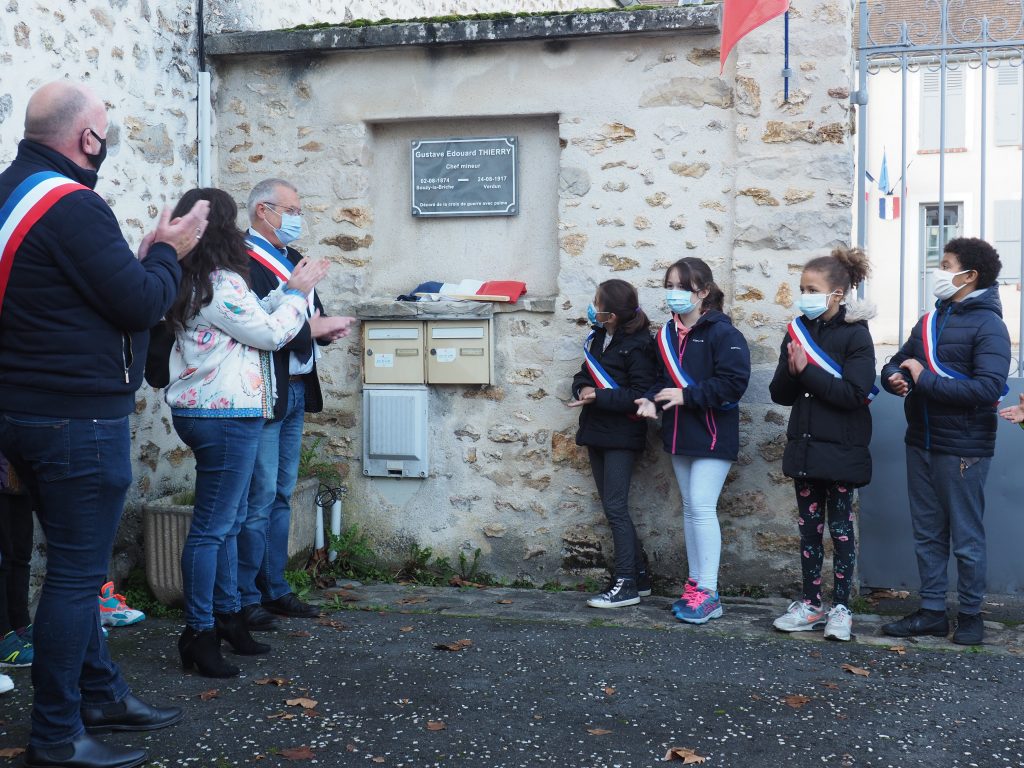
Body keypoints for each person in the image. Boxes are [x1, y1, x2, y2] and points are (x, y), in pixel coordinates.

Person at [0, 81, 208, 768]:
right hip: (73, 418)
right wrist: (165, 251)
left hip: (21, 412)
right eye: (106, 129)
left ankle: (101, 692)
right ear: (88, 139)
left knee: (69, 569)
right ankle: (58, 737)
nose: (108, 139)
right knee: (74, 576)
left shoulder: (8, 192)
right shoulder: (75, 207)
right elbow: (141, 302)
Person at [164, 188, 328, 678]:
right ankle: (199, 630)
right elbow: (272, 333)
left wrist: (286, 293)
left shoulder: (196, 279)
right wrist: (298, 293)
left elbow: (255, 317)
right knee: (214, 529)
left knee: (229, 522)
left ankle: (228, 616)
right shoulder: (218, 282)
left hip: (214, 411)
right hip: (225, 415)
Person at [880, 237, 1010, 646]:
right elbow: (897, 359)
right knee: (928, 532)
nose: (938, 271)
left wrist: (923, 378)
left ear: (969, 276)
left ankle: (971, 615)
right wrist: (894, 378)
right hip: (921, 439)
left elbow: (988, 389)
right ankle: (933, 611)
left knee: (966, 538)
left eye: (946, 264)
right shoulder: (929, 321)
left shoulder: (990, 326)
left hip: (963, 448)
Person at [237, 178, 354, 631]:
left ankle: (275, 586)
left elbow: (307, 315)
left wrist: (326, 326)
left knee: (283, 492)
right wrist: (315, 330)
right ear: (264, 211)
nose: (297, 217)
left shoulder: (292, 256)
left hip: (297, 385)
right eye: (292, 208)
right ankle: (246, 596)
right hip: (267, 388)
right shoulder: (242, 261)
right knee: (260, 495)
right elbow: (263, 324)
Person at [768, 247, 875, 642]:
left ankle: (841, 608)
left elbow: (854, 394)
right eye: (801, 288)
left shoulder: (856, 335)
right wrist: (794, 372)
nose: (804, 295)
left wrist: (807, 372)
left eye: (811, 288)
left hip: (842, 451)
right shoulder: (797, 331)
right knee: (809, 531)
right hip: (806, 449)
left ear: (837, 294)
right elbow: (780, 393)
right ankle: (811, 604)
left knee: (841, 530)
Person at [635, 258, 750, 624]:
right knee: (690, 509)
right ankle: (696, 584)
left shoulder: (723, 333)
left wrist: (688, 396)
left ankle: (710, 592)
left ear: (702, 292)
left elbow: (733, 385)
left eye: (681, 286)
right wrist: (650, 400)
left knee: (701, 507)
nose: (673, 293)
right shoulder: (665, 335)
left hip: (714, 434)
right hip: (679, 434)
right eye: (669, 284)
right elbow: (660, 378)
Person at [568, 279, 657, 609]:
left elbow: (639, 394)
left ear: (613, 312)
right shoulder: (597, 339)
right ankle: (640, 575)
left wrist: (599, 395)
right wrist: (581, 390)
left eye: (597, 301)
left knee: (617, 509)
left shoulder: (639, 345)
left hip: (622, 436)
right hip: (596, 432)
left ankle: (626, 584)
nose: (592, 306)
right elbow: (583, 375)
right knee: (611, 506)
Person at [0, 454, 34, 668]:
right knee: (2, 558)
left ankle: (21, 625)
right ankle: (3, 635)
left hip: (19, 473)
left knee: (21, 553)